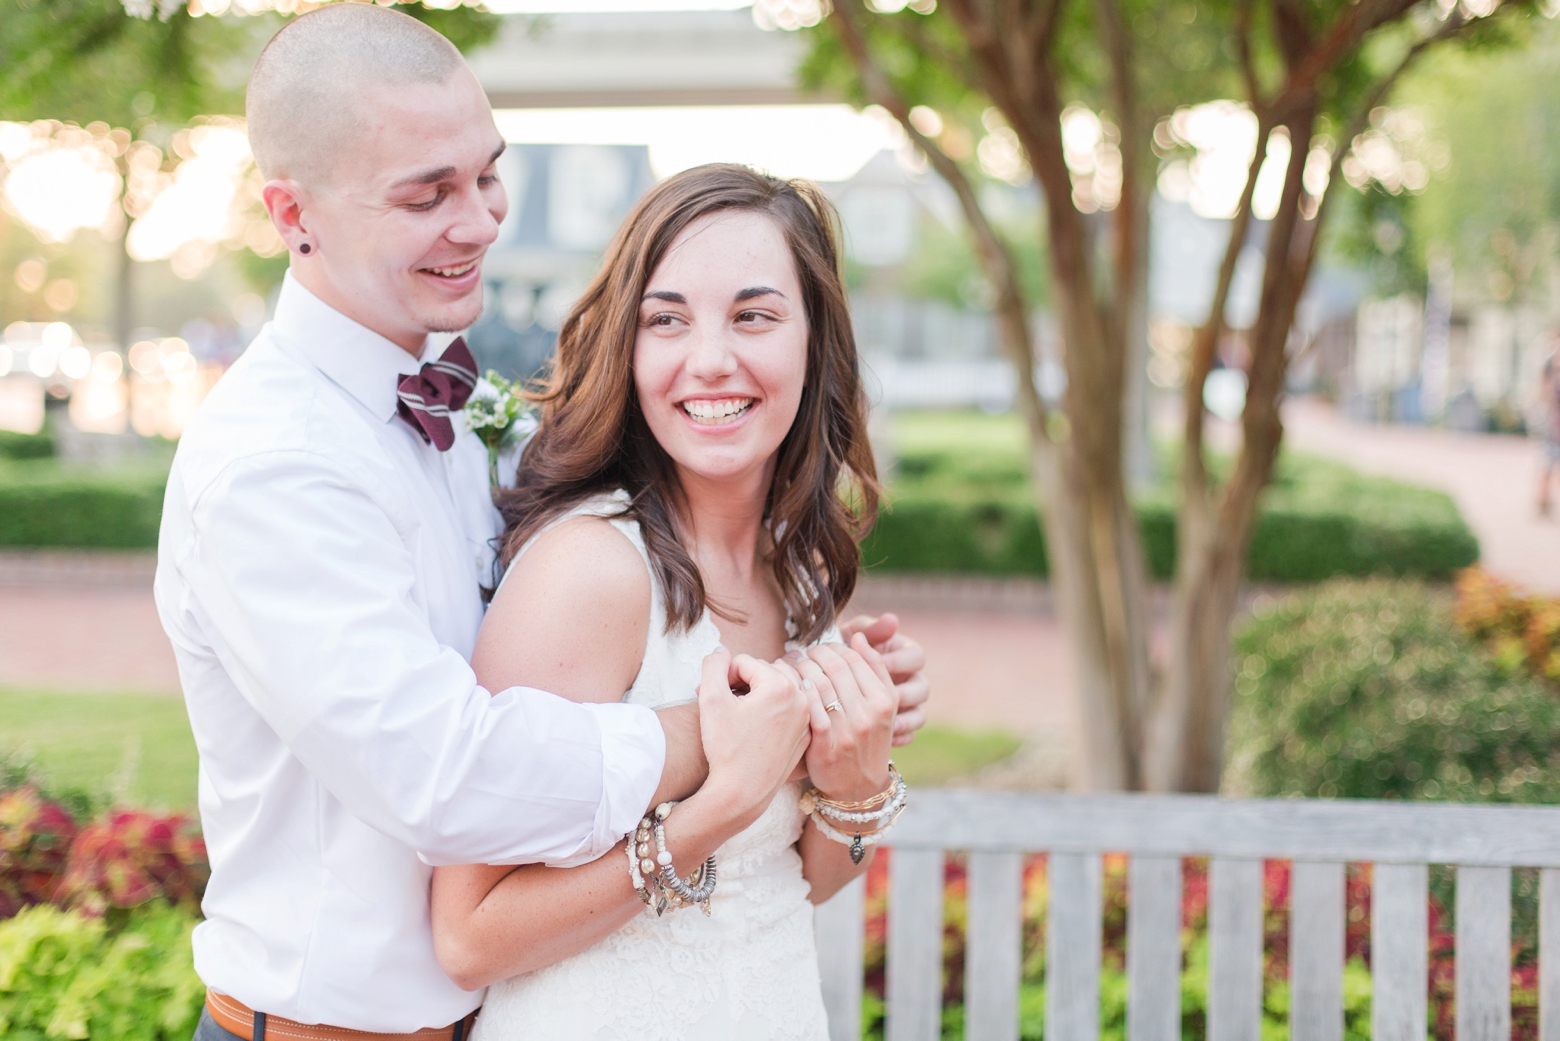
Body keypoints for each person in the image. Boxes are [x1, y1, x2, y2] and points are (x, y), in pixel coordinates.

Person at [157, 8, 929, 1041]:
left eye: (486, 174)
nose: (479, 221)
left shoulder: (488, 427)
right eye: (427, 194)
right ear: (293, 211)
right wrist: (742, 727)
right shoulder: (270, 469)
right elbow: (448, 777)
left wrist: (846, 730)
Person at [429, 166, 901, 1041]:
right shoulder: (591, 569)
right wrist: (717, 805)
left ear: (814, 341)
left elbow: (806, 877)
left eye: (754, 316)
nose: (710, 358)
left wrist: (857, 775)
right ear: (629, 347)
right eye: (667, 319)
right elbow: (468, 934)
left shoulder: (795, 570)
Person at [1538, 342, 1560, 517]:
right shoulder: (1551, 368)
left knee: (1549, 462)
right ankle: (1544, 501)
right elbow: (1547, 396)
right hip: (1553, 423)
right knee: (1549, 462)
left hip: (1553, 421)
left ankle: (1545, 502)